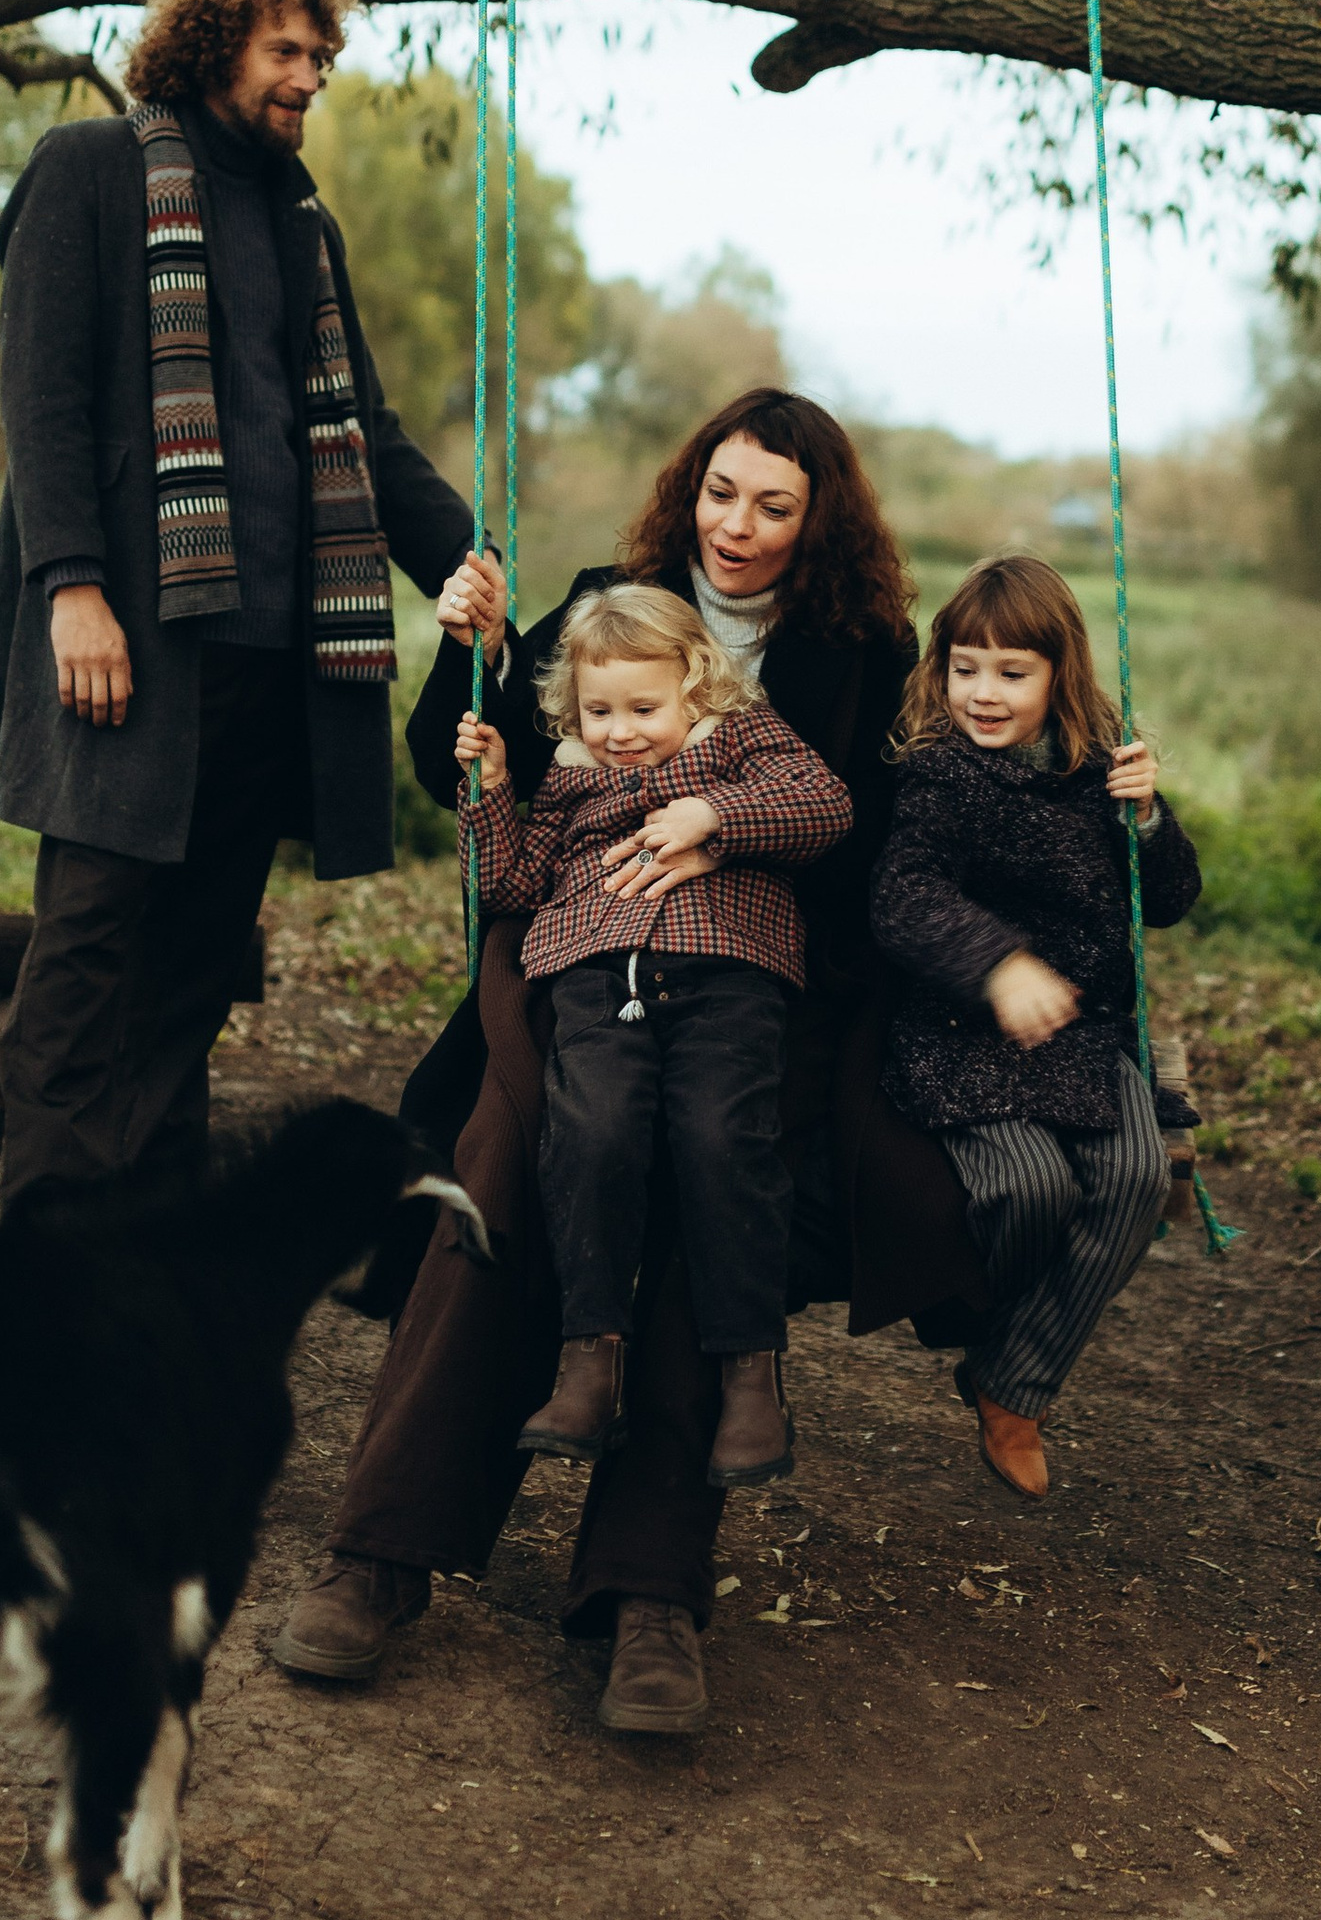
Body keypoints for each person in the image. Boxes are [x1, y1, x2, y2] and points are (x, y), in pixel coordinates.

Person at [268, 388, 987, 1732]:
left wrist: (726, 829)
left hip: (757, 980)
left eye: (776, 504)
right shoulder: (614, 595)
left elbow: (869, 832)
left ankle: (649, 1590)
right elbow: (468, 766)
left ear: (818, 517)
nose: (741, 527)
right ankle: (385, 1547)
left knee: (717, 1173)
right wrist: (462, 654)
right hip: (575, 958)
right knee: (505, 1159)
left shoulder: (856, 648)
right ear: (689, 486)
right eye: (723, 492)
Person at [0, 0, 474, 1202]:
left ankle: (149, 1259)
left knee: (193, 973)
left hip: (269, 664)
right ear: (211, 45)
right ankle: (52, 1275)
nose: (311, 74)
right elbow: (42, 403)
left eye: (323, 53)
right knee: (88, 963)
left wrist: (471, 559)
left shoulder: (304, 222)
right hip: (127, 650)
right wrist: (71, 589)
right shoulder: (89, 169)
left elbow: (365, 427)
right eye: (285, 49)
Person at [456, 583, 855, 1482]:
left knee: (724, 1138)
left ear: (696, 688)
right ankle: (589, 1357)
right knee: (590, 1132)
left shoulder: (744, 737)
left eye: (644, 707)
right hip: (599, 975)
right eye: (599, 709)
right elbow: (512, 887)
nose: (621, 730)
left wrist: (714, 814)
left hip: (729, 969)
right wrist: (489, 795)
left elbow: (826, 805)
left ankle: (751, 1375)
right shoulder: (568, 776)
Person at [870, 552, 1202, 1503]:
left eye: (1011, 672)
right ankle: (989, 1332)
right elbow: (905, 897)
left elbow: (1170, 900)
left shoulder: (1102, 769)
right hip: (961, 1029)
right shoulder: (937, 775)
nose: (983, 691)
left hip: (1085, 1035)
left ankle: (1012, 1384)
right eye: (965, 666)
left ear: (1060, 673)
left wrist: (1147, 823)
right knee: (1028, 1188)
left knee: (1137, 1179)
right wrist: (998, 964)